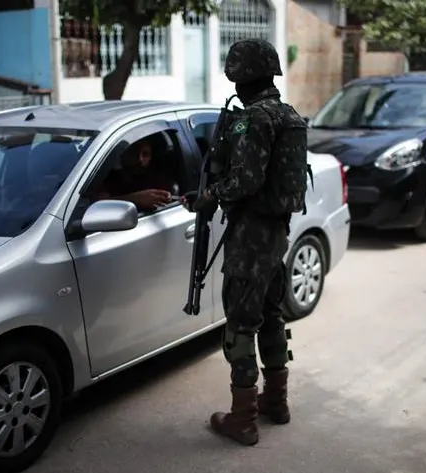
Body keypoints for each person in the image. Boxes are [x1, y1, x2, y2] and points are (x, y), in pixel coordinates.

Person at [183, 38, 309, 446]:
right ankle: (276, 401)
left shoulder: (252, 119)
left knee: (240, 326)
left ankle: (243, 419)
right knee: (271, 316)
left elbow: (246, 180)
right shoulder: (289, 115)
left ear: (242, 77)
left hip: (251, 237)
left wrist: (210, 195)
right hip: (276, 235)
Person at [91, 138, 174, 212]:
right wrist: (135, 199)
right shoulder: (108, 178)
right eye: (133, 153)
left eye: (145, 154)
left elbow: (171, 201)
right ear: (123, 155)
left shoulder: (158, 179)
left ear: (151, 157)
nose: (140, 159)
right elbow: (97, 205)